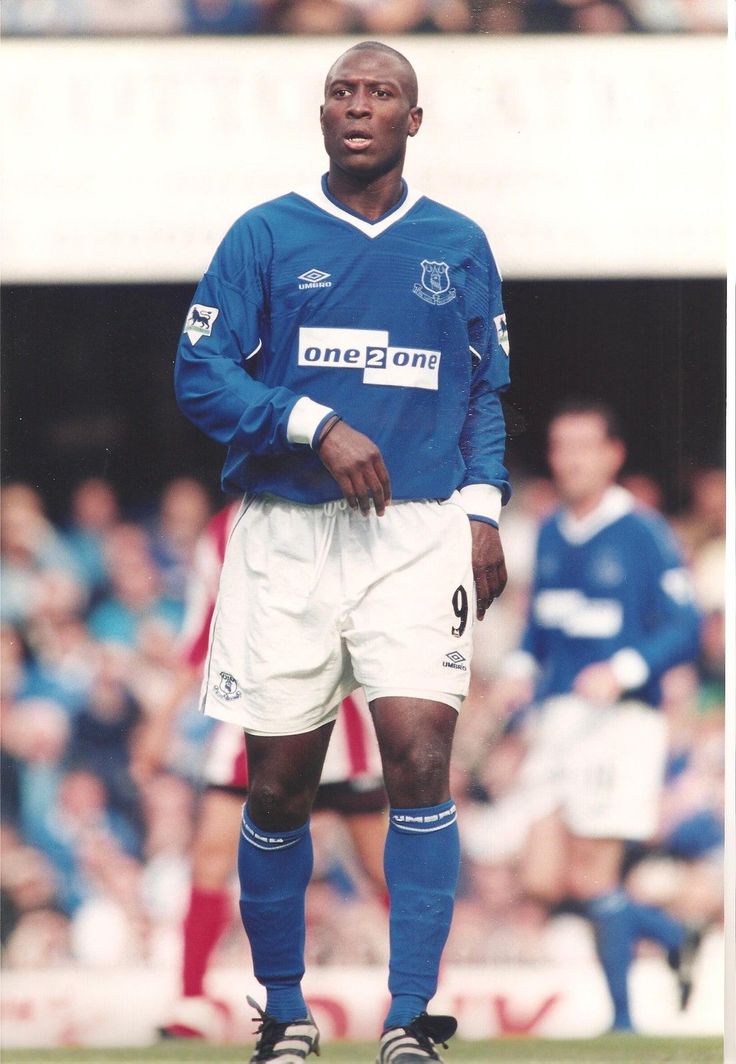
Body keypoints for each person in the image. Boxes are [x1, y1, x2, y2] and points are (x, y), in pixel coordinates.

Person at [174, 40, 510, 1064]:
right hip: (284, 536)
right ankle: (285, 1009)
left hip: (413, 534)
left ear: (414, 121)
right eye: (342, 91)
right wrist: (310, 420)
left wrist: (484, 507)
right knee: (278, 785)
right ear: (322, 115)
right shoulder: (264, 234)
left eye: (381, 94)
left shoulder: (456, 243)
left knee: (419, 758)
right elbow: (199, 374)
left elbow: (485, 390)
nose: (357, 105)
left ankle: (412, 1017)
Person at [132, 501, 389, 1041]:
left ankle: (424, 991)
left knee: (382, 866)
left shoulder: (340, 511)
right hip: (254, 717)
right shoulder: (224, 528)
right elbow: (203, 631)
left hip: (338, 719)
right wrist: (161, 719)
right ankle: (190, 1000)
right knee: (210, 856)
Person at [496, 400, 702, 1033]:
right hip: (558, 720)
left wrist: (627, 669)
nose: (570, 458)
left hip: (619, 723)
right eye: (560, 445)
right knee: (540, 875)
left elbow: (684, 625)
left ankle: (622, 1022)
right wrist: (517, 672)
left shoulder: (641, 531)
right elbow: (541, 628)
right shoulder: (553, 530)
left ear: (613, 453)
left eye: (584, 444)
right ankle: (671, 932)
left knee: (593, 868)